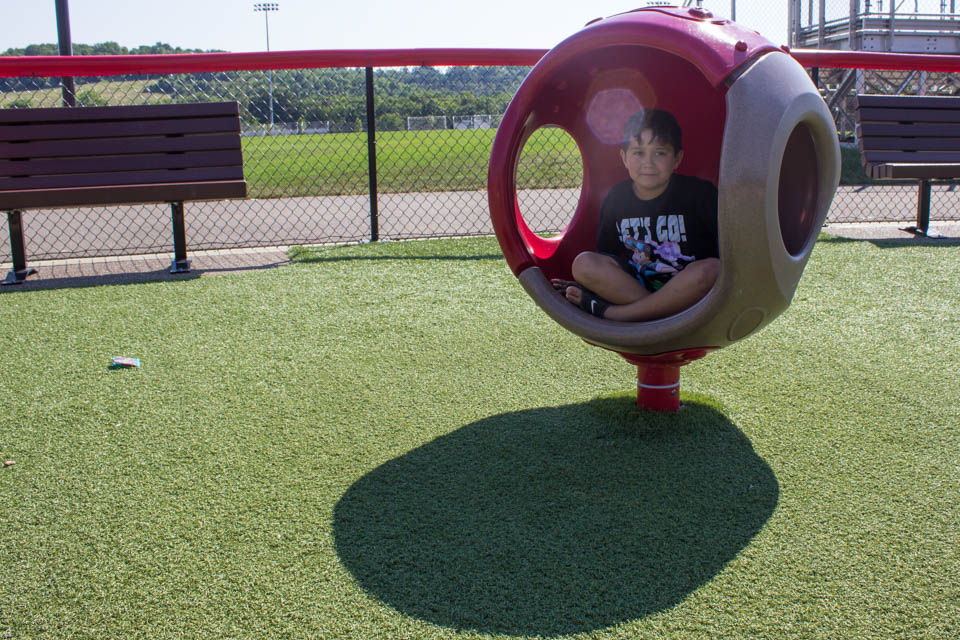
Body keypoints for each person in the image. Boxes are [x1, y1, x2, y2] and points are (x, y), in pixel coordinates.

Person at [551, 109, 720, 322]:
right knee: (583, 263)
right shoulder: (616, 199)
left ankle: (611, 313)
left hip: (688, 288)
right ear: (624, 158)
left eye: (660, 153)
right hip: (636, 287)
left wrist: (597, 301)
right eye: (638, 153)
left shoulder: (700, 194)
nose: (648, 163)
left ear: (677, 158)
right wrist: (592, 285)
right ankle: (659, 312)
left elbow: (727, 254)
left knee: (712, 269)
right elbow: (606, 258)